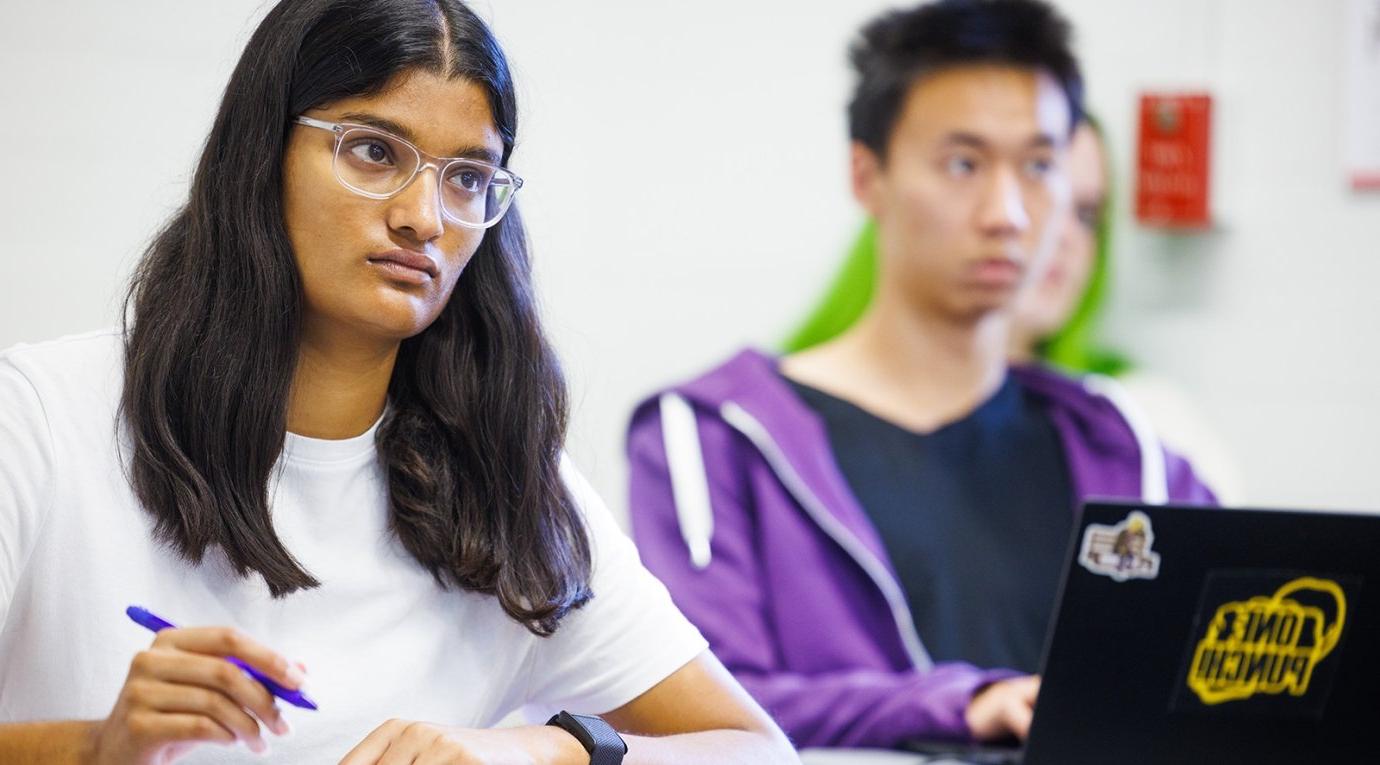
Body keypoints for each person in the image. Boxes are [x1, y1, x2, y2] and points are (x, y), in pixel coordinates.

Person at [0, 2, 798, 763]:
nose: (424, 216)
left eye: (467, 177)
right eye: (375, 151)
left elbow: (756, 748)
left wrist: (544, 747)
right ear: (262, 155)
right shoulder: (40, 414)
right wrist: (96, 749)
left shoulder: (503, 483)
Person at [626, 0, 1216, 751]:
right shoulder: (715, 439)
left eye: (1039, 166)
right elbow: (696, 712)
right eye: (963, 164)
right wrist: (962, 704)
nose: (1007, 212)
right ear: (867, 176)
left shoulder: (1119, 443)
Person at [791, 119, 1245, 501]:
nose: (1060, 236)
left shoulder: (1142, 425)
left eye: (1085, 214)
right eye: (1033, 195)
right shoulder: (782, 416)